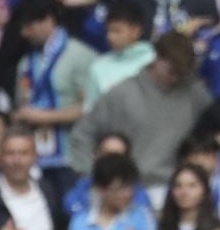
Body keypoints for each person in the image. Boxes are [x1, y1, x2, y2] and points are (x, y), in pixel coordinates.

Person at [70, 32, 210, 196]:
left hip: (178, 190)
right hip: (130, 191)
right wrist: (94, 178)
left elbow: (217, 130)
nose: (176, 79)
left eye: (182, 74)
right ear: (157, 58)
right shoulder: (122, 93)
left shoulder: (196, 93)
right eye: (172, 71)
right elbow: (82, 135)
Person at [11, 0, 97, 191]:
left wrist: (44, 117)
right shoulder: (26, 64)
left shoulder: (81, 56)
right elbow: (21, 103)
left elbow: (90, 108)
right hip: (37, 161)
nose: (25, 33)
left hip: (73, 158)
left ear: (49, 20)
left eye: (29, 26)